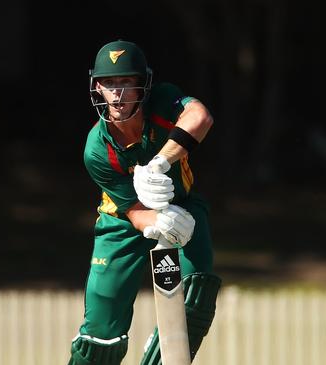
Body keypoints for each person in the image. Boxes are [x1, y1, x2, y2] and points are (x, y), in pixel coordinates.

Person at [68, 39, 221, 365]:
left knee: (196, 297)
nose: (119, 94)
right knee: (101, 336)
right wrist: (159, 221)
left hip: (182, 205)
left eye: (126, 82)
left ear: (143, 84)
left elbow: (200, 117)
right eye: (110, 84)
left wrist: (159, 163)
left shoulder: (164, 101)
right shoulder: (97, 149)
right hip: (121, 222)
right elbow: (134, 212)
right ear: (98, 88)